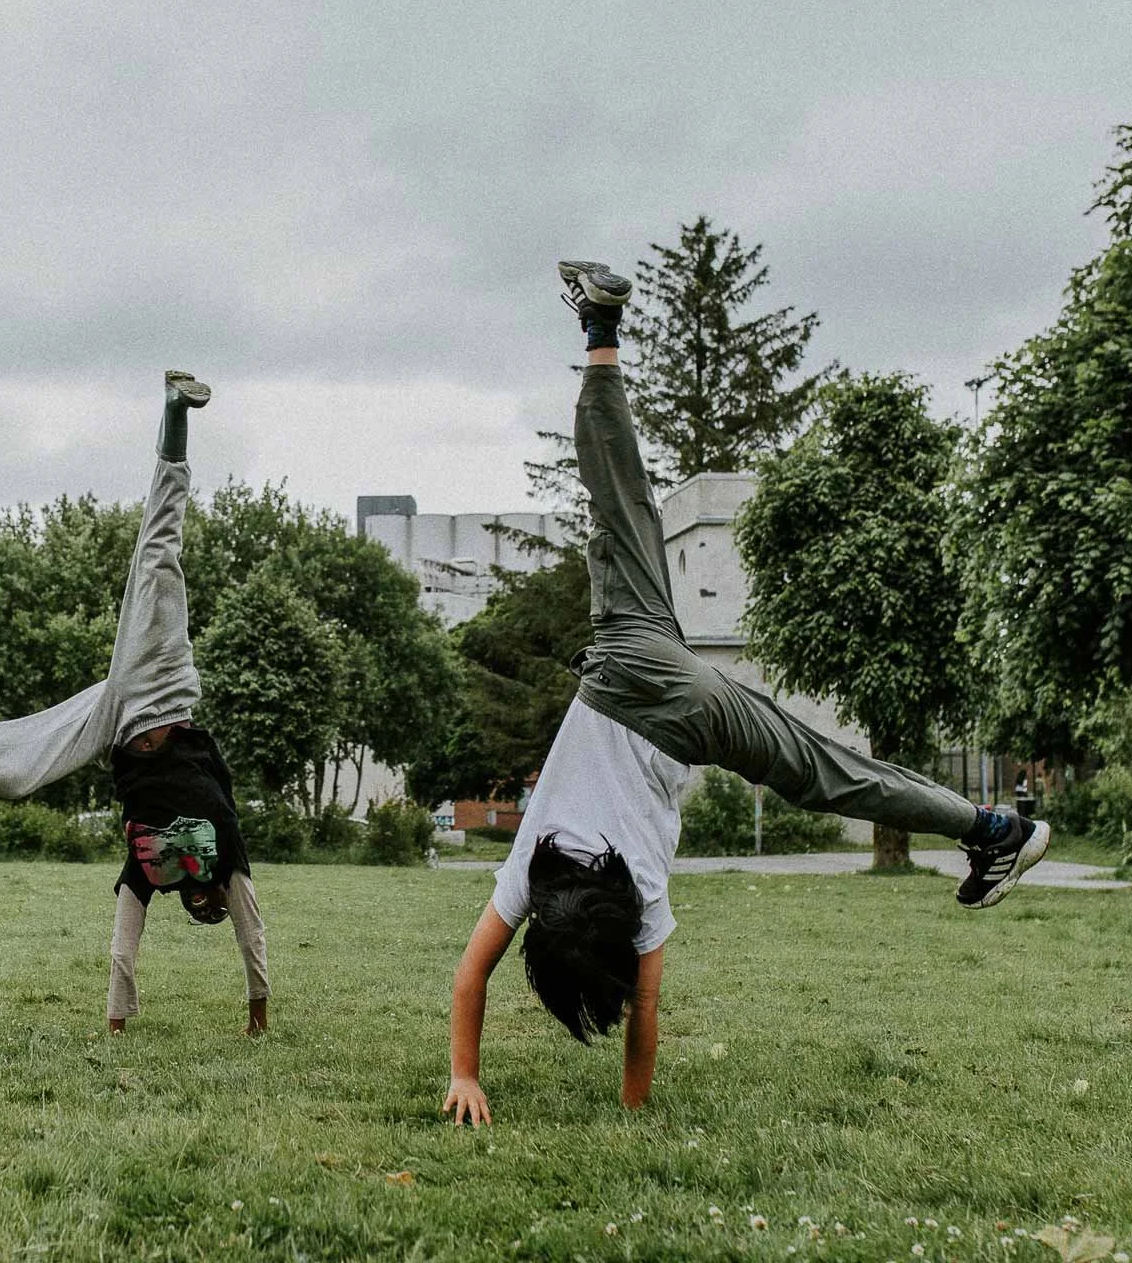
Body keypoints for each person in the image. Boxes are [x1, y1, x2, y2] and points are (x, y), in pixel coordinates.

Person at [441, 262, 1050, 1125]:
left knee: (830, 771)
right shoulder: (532, 864)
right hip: (630, 660)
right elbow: (470, 979)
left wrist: (620, 1106)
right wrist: (466, 1067)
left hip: (686, 713)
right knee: (619, 505)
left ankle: (996, 830)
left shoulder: (641, 895)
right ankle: (600, 331)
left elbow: (641, 1016)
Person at [0, 371, 269, 1037]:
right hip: (164, 691)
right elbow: (253, 929)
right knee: (157, 560)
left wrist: (117, 1023)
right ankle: (177, 414)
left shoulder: (156, 863)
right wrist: (259, 1009)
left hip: (117, 723)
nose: (209, 903)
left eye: (201, 906)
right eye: (214, 905)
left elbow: (123, 942)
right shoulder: (224, 851)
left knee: (18, 769)